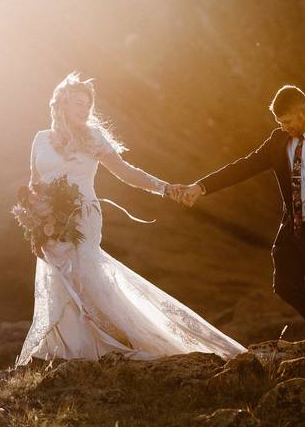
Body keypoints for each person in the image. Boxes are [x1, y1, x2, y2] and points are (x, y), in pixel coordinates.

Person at [15, 72, 245, 365]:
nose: (84, 109)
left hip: (83, 216)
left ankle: (121, 342)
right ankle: (73, 352)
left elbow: (126, 172)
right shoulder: (40, 140)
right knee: (60, 280)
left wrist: (164, 188)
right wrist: (35, 219)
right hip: (48, 223)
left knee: (86, 276)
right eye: (78, 103)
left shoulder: (93, 138)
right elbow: (35, 183)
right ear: (61, 104)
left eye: (88, 104)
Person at [170, 85, 305, 339]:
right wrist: (201, 187)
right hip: (291, 233)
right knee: (284, 286)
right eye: (280, 122)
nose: (284, 127)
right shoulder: (278, 140)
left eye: (288, 121)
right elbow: (244, 167)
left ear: (303, 113)